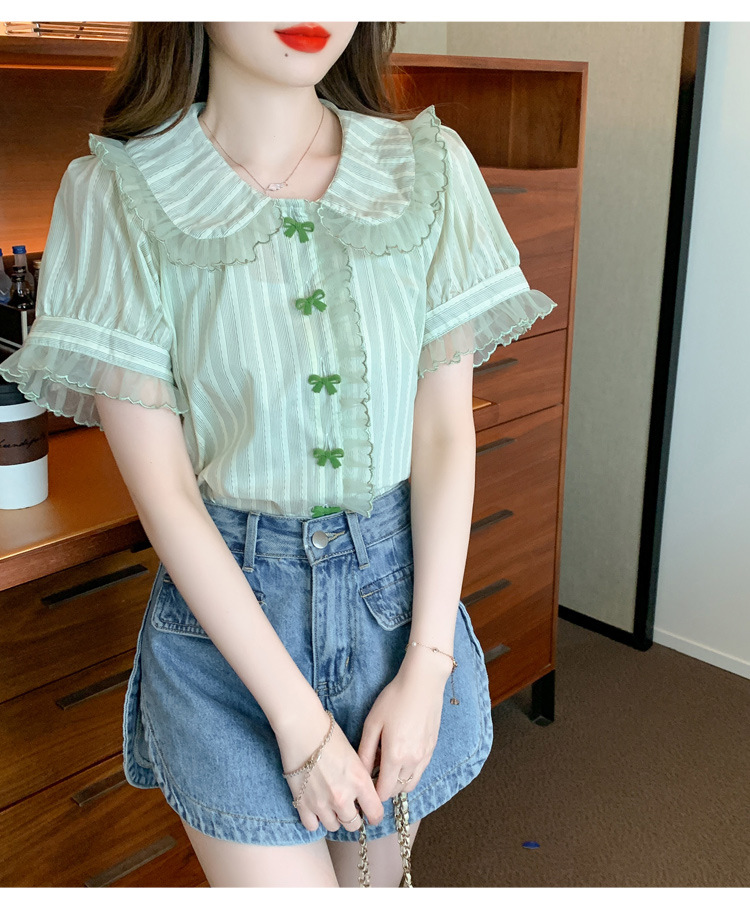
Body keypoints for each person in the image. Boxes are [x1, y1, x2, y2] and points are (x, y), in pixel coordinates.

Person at [0, 22, 557, 887]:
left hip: (399, 615)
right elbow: (166, 493)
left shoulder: (429, 169)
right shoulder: (119, 194)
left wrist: (427, 664)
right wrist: (298, 725)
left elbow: (445, 432)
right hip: (229, 631)